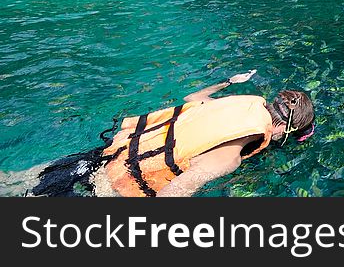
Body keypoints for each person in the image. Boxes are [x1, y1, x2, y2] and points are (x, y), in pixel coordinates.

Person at [14, 70, 315, 197]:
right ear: (283, 129)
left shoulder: (235, 103)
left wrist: (228, 81)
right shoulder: (229, 158)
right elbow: (173, 194)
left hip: (103, 156)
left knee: (23, 180)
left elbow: (191, 99)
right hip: (103, 190)